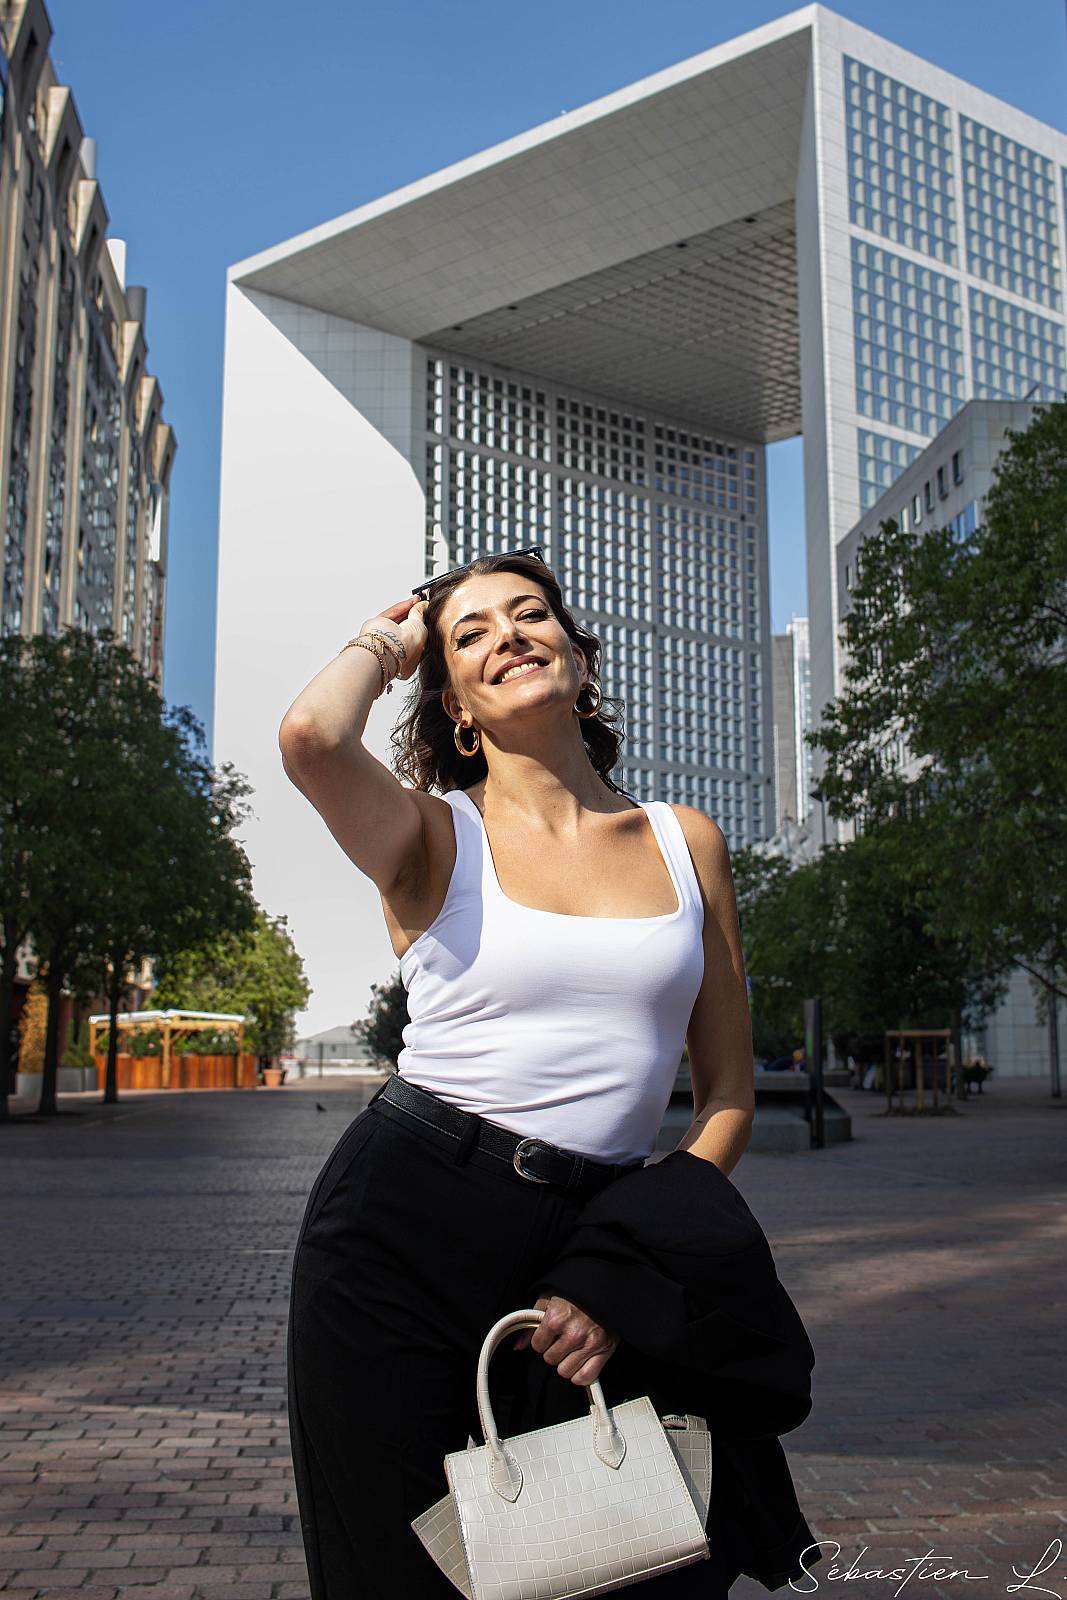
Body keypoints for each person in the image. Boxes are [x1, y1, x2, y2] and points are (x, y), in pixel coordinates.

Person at [278, 549, 780, 1599]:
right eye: (470, 634)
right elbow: (313, 737)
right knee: (401, 1575)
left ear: (577, 658)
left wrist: (622, 1267)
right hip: (400, 1230)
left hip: (601, 1230)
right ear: (454, 704)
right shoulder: (429, 833)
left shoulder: (686, 842)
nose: (507, 634)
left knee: (621, 1558)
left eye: (529, 614)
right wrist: (393, 639)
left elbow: (727, 1097)